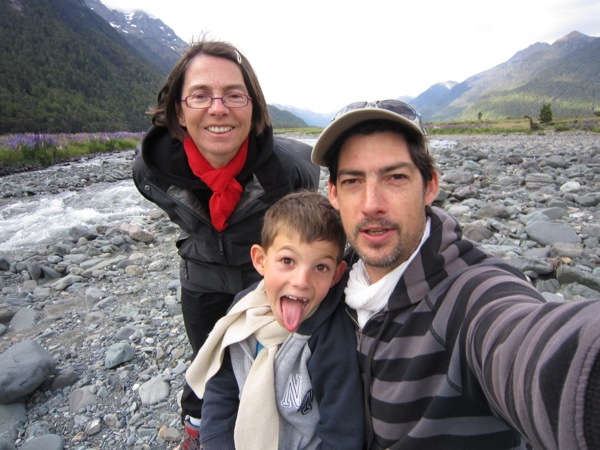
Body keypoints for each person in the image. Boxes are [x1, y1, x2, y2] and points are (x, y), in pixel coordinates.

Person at [310, 99, 600, 450]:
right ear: (334, 194)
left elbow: (532, 348)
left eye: (395, 177)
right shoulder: (328, 280)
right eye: (353, 181)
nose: (372, 204)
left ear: (430, 186)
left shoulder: (470, 296)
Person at [132, 40, 320, 449]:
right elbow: (179, 212)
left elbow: (310, 226)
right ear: (178, 112)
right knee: (207, 362)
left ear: (254, 109)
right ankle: (198, 431)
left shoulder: (290, 170)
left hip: (262, 278)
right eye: (200, 95)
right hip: (200, 275)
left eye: (235, 95)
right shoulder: (151, 169)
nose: (218, 108)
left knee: (271, 364)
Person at [185, 191, 364, 449]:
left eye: (320, 267)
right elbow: (221, 392)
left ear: (336, 275)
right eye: (287, 261)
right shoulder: (243, 312)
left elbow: (342, 433)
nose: (301, 281)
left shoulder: (331, 338)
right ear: (261, 260)